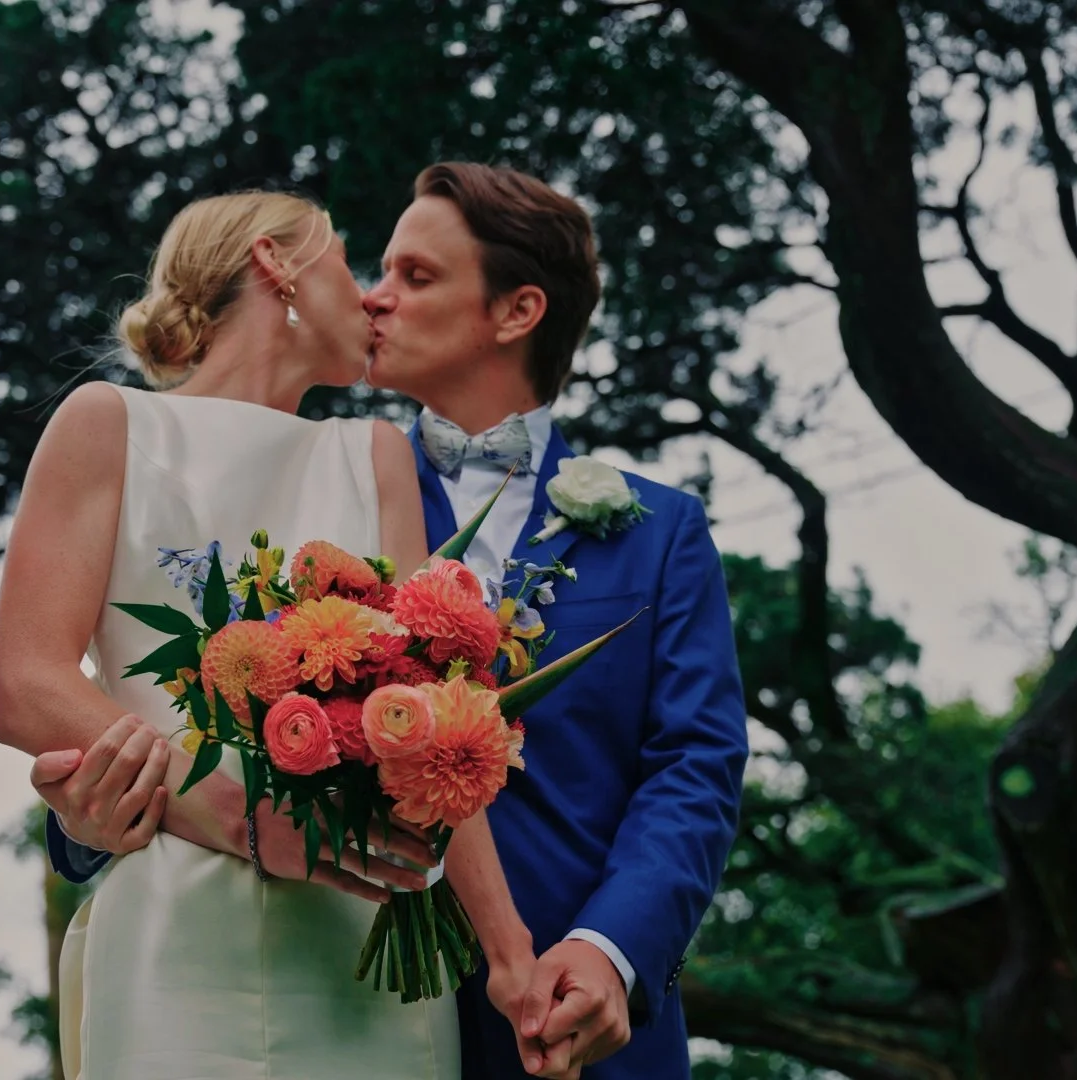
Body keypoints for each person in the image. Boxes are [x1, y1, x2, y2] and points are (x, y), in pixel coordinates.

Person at [39, 163, 750, 1080]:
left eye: (415, 277)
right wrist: (91, 820)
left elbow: (694, 768)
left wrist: (613, 950)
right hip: (338, 1001)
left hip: (575, 1025)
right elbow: (177, 695)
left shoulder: (663, 534)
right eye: (373, 271)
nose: (375, 299)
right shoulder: (314, 483)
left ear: (515, 312)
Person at [0, 189, 529, 1080]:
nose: (370, 298)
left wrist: (511, 956)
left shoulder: (376, 456)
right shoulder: (109, 424)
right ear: (276, 262)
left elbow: (438, 728)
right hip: (177, 926)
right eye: (348, 262)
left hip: (365, 937)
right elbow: (26, 683)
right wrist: (237, 815)